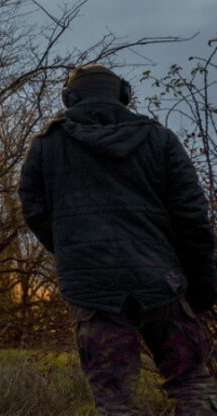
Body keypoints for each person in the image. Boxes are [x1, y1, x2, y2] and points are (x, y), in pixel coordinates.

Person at [18, 64, 217, 415]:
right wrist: (202, 284)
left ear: (70, 98)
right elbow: (192, 215)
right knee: (191, 384)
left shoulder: (46, 145)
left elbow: (35, 213)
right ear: (123, 97)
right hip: (163, 281)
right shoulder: (160, 139)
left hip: (93, 291)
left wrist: (75, 253)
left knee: (115, 401)